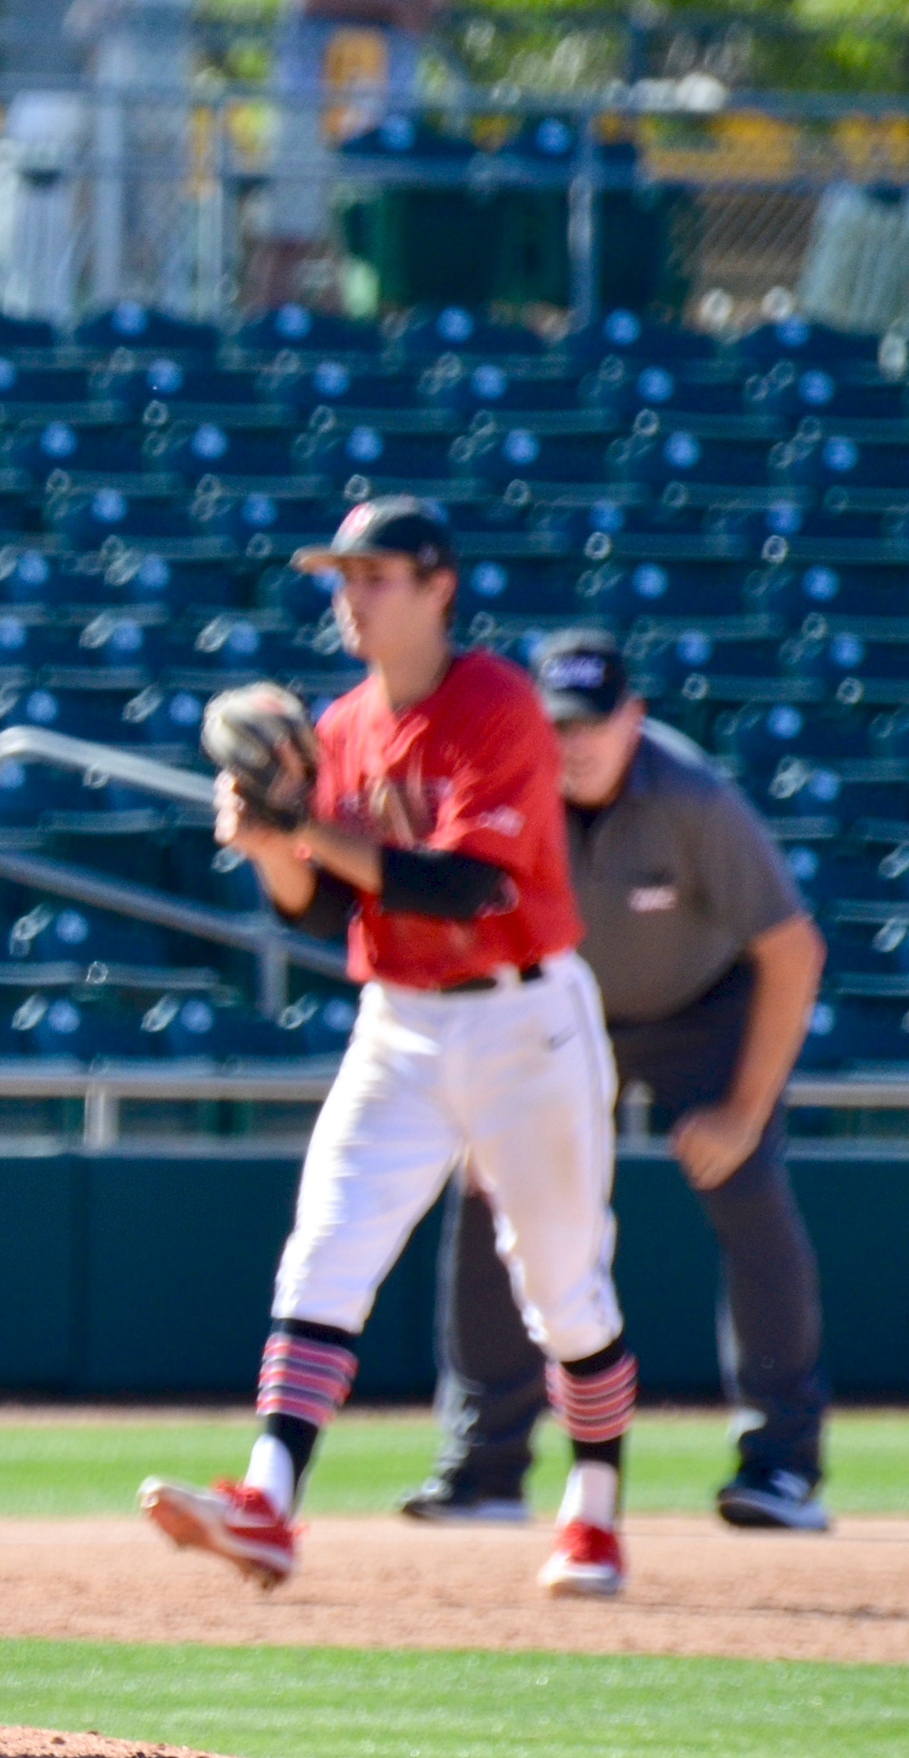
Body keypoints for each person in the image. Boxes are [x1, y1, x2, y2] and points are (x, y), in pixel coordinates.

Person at [143, 497, 638, 1599]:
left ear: (437, 586)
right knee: (326, 1245)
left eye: (375, 575)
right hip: (402, 1018)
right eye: (342, 576)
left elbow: (468, 881)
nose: (351, 596)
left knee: (562, 1286)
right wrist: (271, 847)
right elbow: (321, 909)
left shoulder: (500, 703)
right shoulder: (345, 724)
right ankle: (269, 1498)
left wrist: (304, 827)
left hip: (526, 1017)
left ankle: (595, 1508)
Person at [404, 631, 832, 1533]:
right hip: (556, 1010)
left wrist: (742, 1111)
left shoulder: (692, 796)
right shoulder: (506, 789)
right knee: (489, 1196)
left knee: (748, 1194)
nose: (574, 741)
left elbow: (793, 949)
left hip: (700, 1008)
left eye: (594, 721)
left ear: (633, 718)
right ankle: (485, 1467)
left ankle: (782, 1465)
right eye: (556, 722)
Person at [249, 0, 461, 310]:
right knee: (291, 231)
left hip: (386, 106)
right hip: (311, 97)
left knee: (379, 239)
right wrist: (387, 8)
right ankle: (264, 339)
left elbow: (429, 6)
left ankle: (361, 347)